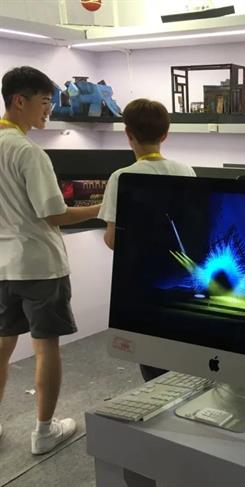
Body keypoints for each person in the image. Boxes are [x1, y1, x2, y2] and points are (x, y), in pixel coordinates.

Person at [0, 66, 101, 453]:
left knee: (2, 346)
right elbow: (55, 214)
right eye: (44, 102)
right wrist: (104, 207)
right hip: (39, 266)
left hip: (2, 265)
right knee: (46, 348)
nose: (49, 110)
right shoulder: (28, 151)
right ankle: (44, 432)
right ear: (19, 101)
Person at [98, 98, 196, 382]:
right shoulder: (186, 171)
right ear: (165, 134)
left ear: (127, 133)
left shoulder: (122, 176)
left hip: (141, 282)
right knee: (185, 351)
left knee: (152, 359)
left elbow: (113, 240)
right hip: (182, 275)